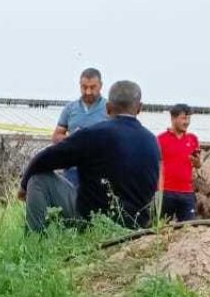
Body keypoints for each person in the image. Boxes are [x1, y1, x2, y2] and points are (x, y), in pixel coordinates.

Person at [19, 81, 160, 230]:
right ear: (139, 108)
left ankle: (36, 241)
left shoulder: (93, 134)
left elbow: (43, 159)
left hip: (93, 220)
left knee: (37, 179)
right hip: (136, 225)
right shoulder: (152, 141)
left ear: (108, 108)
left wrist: (23, 187)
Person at [158, 104, 201, 222]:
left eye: (188, 118)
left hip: (187, 193)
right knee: (162, 228)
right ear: (173, 118)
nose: (187, 122)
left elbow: (198, 165)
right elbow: (156, 166)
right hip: (166, 192)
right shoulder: (160, 139)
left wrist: (197, 162)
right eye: (183, 118)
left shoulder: (193, 139)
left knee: (189, 229)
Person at [52, 68, 108, 143]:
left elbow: (117, 138)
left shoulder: (111, 108)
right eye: (84, 87)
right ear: (80, 85)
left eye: (92, 87)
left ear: (100, 85)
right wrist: (73, 138)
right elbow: (56, 136)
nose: (88, 92)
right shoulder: (70, 108)